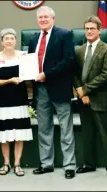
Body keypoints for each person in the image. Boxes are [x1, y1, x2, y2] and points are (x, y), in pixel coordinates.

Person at [28, 6, 76, 179]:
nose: (43, 19)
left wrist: (47, 74)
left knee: (66, 128)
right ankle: (46, 163)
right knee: (43, 128)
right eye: (40, 17)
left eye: (46, 17)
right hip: (40, 90)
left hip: (59, 88)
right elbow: (30, 64)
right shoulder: (34, 40)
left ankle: (69, 165)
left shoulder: (64, 34)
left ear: (53, 18)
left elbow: (69, 60)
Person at [73, 15, 107, 178]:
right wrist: (80, 90)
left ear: (99, 30)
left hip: (100, 98)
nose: (89, 31)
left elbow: (106, 75)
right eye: (86, 28)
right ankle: (89, 164)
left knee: (106, 134)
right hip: (83, 99)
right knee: (87, 133)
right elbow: (75, 73)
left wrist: (85, 90)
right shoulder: (79, 50)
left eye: (92, 28)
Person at [0, 28, 33, 177]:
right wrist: (9, 81)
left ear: (15, 41)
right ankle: (6, 163)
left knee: (19, 134)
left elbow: (30, 76)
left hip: (20, 100)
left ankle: (17, 164)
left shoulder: (24, 56)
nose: (9, 41)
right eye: (6, 38)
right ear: (2, 42)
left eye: (11, 38)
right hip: (2, 102)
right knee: (4, 134)